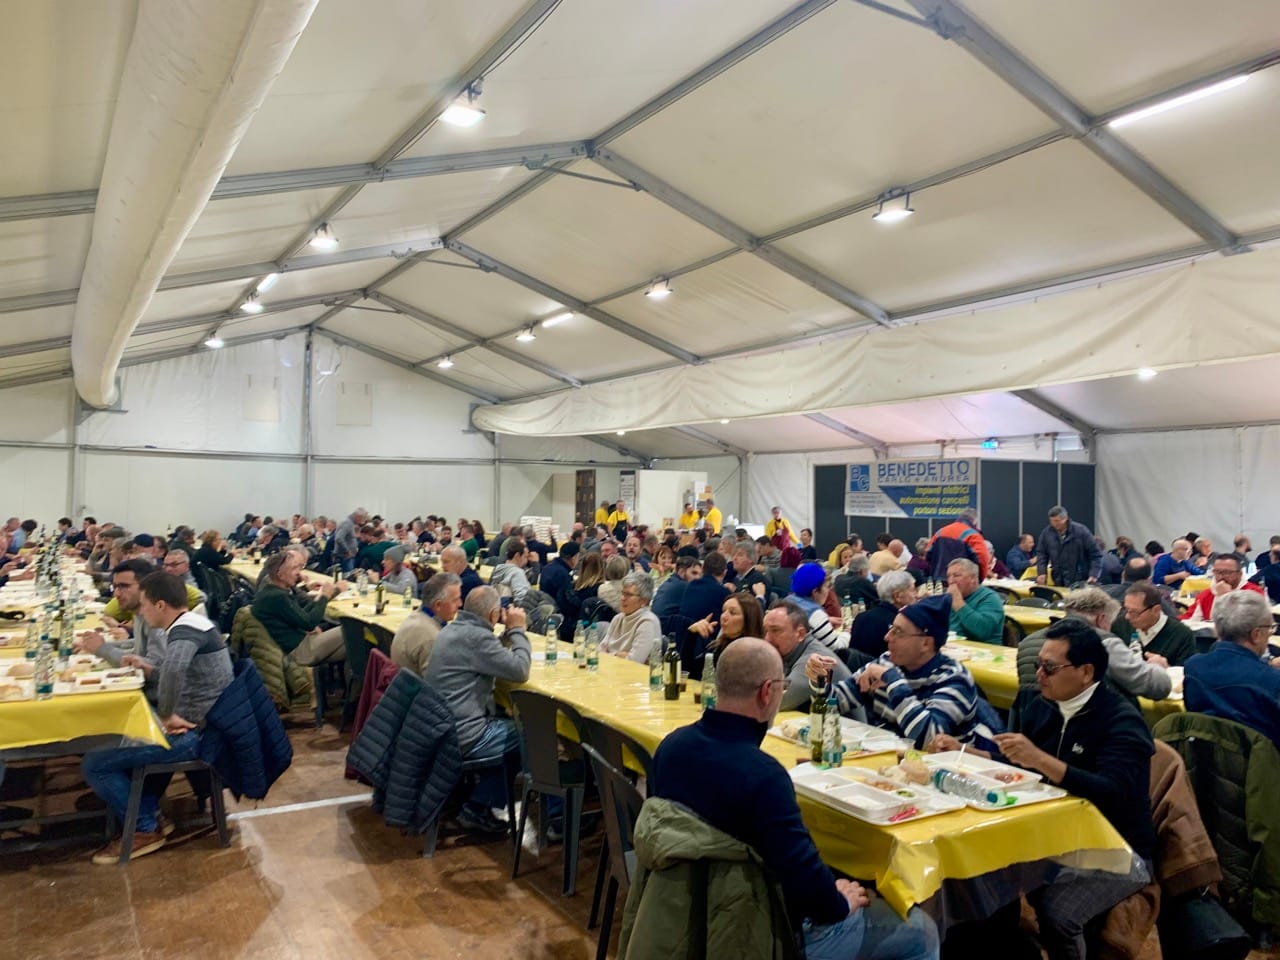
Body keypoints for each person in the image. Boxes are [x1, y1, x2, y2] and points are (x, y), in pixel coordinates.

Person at [648, 638, 939, 960]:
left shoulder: (670, 747)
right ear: (767, 692)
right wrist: (840, 900)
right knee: (922, 932)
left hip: (681, 911)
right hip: (758, 930)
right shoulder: (763, 776)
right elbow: (808, 889)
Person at [962, 620, 1155, 960]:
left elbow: (1112, 792)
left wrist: (1040, 759)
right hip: (1052, 835)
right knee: (978, 878)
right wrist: (967, 752)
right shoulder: (1043, 706)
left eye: (1049, 668)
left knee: (1058, 914)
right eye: (1038, 665)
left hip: (1116, 847)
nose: (1039, 674)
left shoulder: (1121, 720)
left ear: (1086, 672)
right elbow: (1020, 768)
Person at [81, 571, 234, 863]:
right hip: (203, 723)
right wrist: (151, 670)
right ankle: (149, 812)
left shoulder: (183, 632)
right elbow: (178, 672)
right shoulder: (194, 623)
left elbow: (176, 670)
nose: (142, 611)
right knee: (111, 738)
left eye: (145, 605)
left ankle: (145, 828)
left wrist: (166, 715)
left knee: (95, 763)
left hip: (195, 735)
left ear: (160, 605)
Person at [808, 595, 993, 749]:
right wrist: (820, 680)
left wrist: (892, 680)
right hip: (886, 767)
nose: (887, 637)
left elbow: (927, 740)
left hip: (942, 776)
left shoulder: (954, 678)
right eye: (891, 629)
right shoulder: (887, 661)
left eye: (898, 632)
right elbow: (831, 704)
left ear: (926, 643)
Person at [424, 586, 530, 834]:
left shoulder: (455, 630)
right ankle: (480, 806)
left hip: (439, 727)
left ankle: (481, 797)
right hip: (461, 735)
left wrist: (504, 634)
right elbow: (520, 670)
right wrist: (517, 630)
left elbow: (488, 653)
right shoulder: (476, 639)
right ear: (494, 614)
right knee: (526, 733)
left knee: (506, 726)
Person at [1016, 587, 1175, 706]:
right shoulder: (1105, 643)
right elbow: (1159, 687)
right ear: (1101, 619)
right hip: (1091, 734)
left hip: (1035, 732)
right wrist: (1158, 668)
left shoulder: (1027, 642)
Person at [1182, 591, 1280, 747]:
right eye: (1270, 628)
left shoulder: (1193, 667)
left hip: (1206, 762)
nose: (1270, 634)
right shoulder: (1272, 682)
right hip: (1265, 766)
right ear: (1256, 635)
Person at [252, 551, 347, 667]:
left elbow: (302, 615)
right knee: (350, 631)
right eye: (294, 569)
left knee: (353, 646)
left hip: (299, 644)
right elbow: (309, 623)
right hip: (299, 651)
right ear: (280, 574)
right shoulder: (277, 596)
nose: (298, 573)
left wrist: (324, 596)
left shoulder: (271, 590)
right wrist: (324, 596)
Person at [763, 600, 852, 713]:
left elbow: (772, 703)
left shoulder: (813, 660)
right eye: (765, 631)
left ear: (800, 634)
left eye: (775, 630)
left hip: (843, 728)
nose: (767, 639)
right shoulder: (787, 652)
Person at [389, 572, 461, 676]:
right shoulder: (431, 639)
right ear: (438, 605)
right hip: (416, 690)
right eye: (455, 600)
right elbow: (437, 685)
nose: (460, 604)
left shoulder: (417, 616)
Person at [677, 551, 731, 675]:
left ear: (702, 569)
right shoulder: (724, 593)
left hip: (684, 641)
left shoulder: (690, 586)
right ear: (724, 573)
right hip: (705, 651)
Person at [1181, 552, 1265, 627]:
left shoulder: (1254, 593)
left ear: (1239, 574)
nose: (1221, 577)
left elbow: (1247, 624)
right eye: (1217, 572)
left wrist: (1227, 596)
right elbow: (1189, 619)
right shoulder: (1206, 594)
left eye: (1227, 572)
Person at [848, 570, 917, 660]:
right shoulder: (900, 624)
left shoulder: (861, 617)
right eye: (913, 590)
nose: (917, 595)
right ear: (897, 596)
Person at [599, 572, 662, 663]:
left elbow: (634, 661)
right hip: (611, 669)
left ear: (644, 601)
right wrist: (619, 655)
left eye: (628, 595)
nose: (622, 598)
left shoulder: (648, 622)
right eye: (622, 593)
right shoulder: (618, 618)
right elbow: (600, 651)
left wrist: (610, 654)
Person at [787, 562, 848, 654]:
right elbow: (835, 647)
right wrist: (847, 633)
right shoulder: (815, 614)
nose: (828, 591)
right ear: (815, 592)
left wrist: (826, 621)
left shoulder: (788, 601)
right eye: (826, 587)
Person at [1034, 506, 1102, 586]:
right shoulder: (1046, 533)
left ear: (1065, 518)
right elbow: (1041, 554)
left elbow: (1095, 555)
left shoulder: (1081, 531)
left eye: (1057, 521)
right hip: (1058, 578)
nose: (1054, 524)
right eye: (1051, 521)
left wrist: (1094, 574)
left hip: (1080, 578)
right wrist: (1042, 572)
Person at [693, 591, 766, 662]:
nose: (724, 617)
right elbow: (689, 669)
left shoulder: (757, 655)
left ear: (749, 620)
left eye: (732, 613)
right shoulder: (716, 647)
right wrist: (691, 633)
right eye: (723, 611)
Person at [945, 558, 1004, 645]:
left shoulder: (990, 598)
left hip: (984, 653)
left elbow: (983, 631)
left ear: (973, 578)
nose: (951, 581)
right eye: (948, 576)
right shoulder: (948, 597)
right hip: (953, 649)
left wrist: (958, 603)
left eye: (956, 575)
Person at [929, 510, 992, 580]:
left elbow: (928, 554)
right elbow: (982, 559)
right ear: (974, 521)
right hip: (963, 582)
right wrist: (980, 579)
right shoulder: (973, 535)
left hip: (938, 581)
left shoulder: (940, 532)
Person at [487, 537, 532, 603]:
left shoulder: (497, 569)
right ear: (517, 556)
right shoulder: (517, 573)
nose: (526, 561)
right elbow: (522, 599)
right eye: (525, 557)